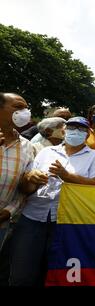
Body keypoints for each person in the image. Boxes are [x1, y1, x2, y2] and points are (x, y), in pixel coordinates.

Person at [10, 117, 95, 286]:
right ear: (63, 131)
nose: (75, 132)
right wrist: (31, 178)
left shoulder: (94, 156)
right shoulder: (46, 152)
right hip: (33, 215)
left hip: (66, 220)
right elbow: (26, 187)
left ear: (88, 134)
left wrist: (66, 176)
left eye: (81, 129)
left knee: (55, 269)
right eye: (71, 128)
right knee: (22, 270)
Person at [0, 93, 35, 250]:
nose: (25, 112)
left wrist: (9, 211)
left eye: (26, 108)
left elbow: (24, 188)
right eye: (18, 107)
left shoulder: (27, 147)